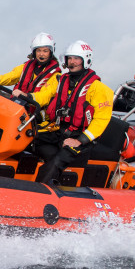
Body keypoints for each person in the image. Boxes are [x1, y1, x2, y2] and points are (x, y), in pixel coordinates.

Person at [25, 40, 114, 185]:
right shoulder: (60, 80)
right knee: (25, 138)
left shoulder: (99, 89)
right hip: (58, 131)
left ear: (86, 60)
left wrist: (80, 140)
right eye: (70, 58)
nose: (72, 62)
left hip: (80, 138)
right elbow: (45, 95)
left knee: (56, 162)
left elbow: (101, 120)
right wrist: (28, 96)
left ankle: (39, 193)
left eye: (76, 58)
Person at [0, 31, 61, 100]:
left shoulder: (56, 76)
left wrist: (27, 96)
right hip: (20, 107)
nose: (41, 54)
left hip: (38, 114)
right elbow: (10, 77)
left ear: (51, 52)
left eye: (45, 51)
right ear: (34, 52)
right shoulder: (25, 67)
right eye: (38, 51)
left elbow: (46, 95)